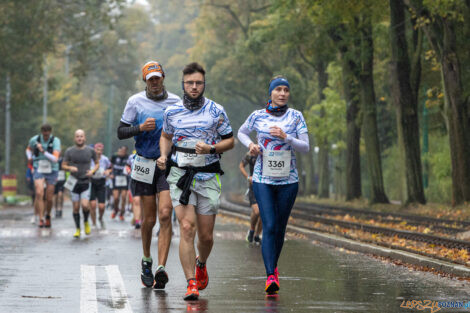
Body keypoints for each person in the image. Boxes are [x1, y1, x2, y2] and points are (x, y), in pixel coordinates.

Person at [157, 62, 234, 300]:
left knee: (206, 236)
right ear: (183, 84)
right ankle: (191, 282)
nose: (194, 86)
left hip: (208, 175)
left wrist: (211, 148)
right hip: (180, 175)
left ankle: (202, 262)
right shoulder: (171, 112)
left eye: (198, 83)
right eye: (189, 82)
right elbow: (165, 136)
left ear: (204, 84)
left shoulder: (216, 111)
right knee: (187, 228)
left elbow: (229, 141)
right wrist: (163, 155)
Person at [237, 76, 309, 295]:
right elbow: (241, 132)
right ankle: (270, 275)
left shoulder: (296, 116)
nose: (283, 93)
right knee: (268, 226)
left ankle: (273, 268)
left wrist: (287, 137)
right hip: (262, 179)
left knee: (279, 228)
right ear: (271, 93)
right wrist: (251, 145)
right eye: (278, 89)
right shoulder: (257, 116)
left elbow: (305, 147)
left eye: (286, 90)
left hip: (288, 181)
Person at [118, 60, 180, 289]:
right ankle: (146, 259)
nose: (154, 82)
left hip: (167, 164)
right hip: (143, 163)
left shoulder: (176, 102)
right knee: (150, 219)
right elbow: (121, 131)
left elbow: (183, 130)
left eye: (157, 77)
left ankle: (161, 268)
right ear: (145, 81)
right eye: (150, 79)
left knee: (165, 214)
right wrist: (139, 128)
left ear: (163, 77)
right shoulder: (135, 102)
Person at [62, 129, 99, 238]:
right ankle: (78, 228)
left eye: (81, 136)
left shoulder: (90, 151)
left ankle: (86, 221)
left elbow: (97, 164)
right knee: (76, 208)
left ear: (85, 138)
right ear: (75, 138)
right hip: (73, 182)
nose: (79, 138)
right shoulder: (69, 151)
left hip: (85, 181)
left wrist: (92, 171)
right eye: (77, 136)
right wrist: (69, 168)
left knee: (85, 205)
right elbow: (63, 165)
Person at [25, 124, 61, 228]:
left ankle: (48, 215)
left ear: (50, 132)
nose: (45, 136)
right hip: (38, 167)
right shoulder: (35, 139)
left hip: (52, 169)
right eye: (44, 134)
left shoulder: (55, 141)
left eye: (47, 134)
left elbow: (55, 159)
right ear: (41, 132)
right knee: (39, 193)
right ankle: (41, 218)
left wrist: (43, 151)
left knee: (49, 198)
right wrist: (29, 157)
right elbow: (28, 149)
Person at [239, 152, 262, 244]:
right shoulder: (251, 153)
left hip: (267, 186)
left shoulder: (270, 151)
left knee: (264, 213)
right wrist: (248, 177)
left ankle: (257, 235)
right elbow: (241, 166)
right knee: (257, 211)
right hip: (254, 186)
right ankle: (252, 230)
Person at [89, 143, 112, 229]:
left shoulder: (105, 159)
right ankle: (94, 223)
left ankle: (100, 218)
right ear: (94, 150)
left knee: (101, 206)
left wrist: (108, 171)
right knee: (93, 204)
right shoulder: (90, 159)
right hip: (92, 182)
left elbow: (110, 168)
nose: (99, 152)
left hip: (101, 183)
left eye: (100, 150)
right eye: (97, 150)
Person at [110, 146, 129, 221]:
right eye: (120, 150)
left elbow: (129, 166)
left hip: (124, 178)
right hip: (116, 178)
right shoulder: (114, 157)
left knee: (124, 197)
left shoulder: (127, 158)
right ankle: (115, 209)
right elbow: (110, 166)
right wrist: (111, 173)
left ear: (125, 151)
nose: (121, 152)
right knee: (116, 197)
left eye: (123, 151)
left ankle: (122, 213)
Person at [54, 152, 65, 218]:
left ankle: (60, 209)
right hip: (55, 179)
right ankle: (55, 209)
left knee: (60, 195)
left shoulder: (63, 160)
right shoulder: (53, 159)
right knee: (55, 196)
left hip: (62, 180)